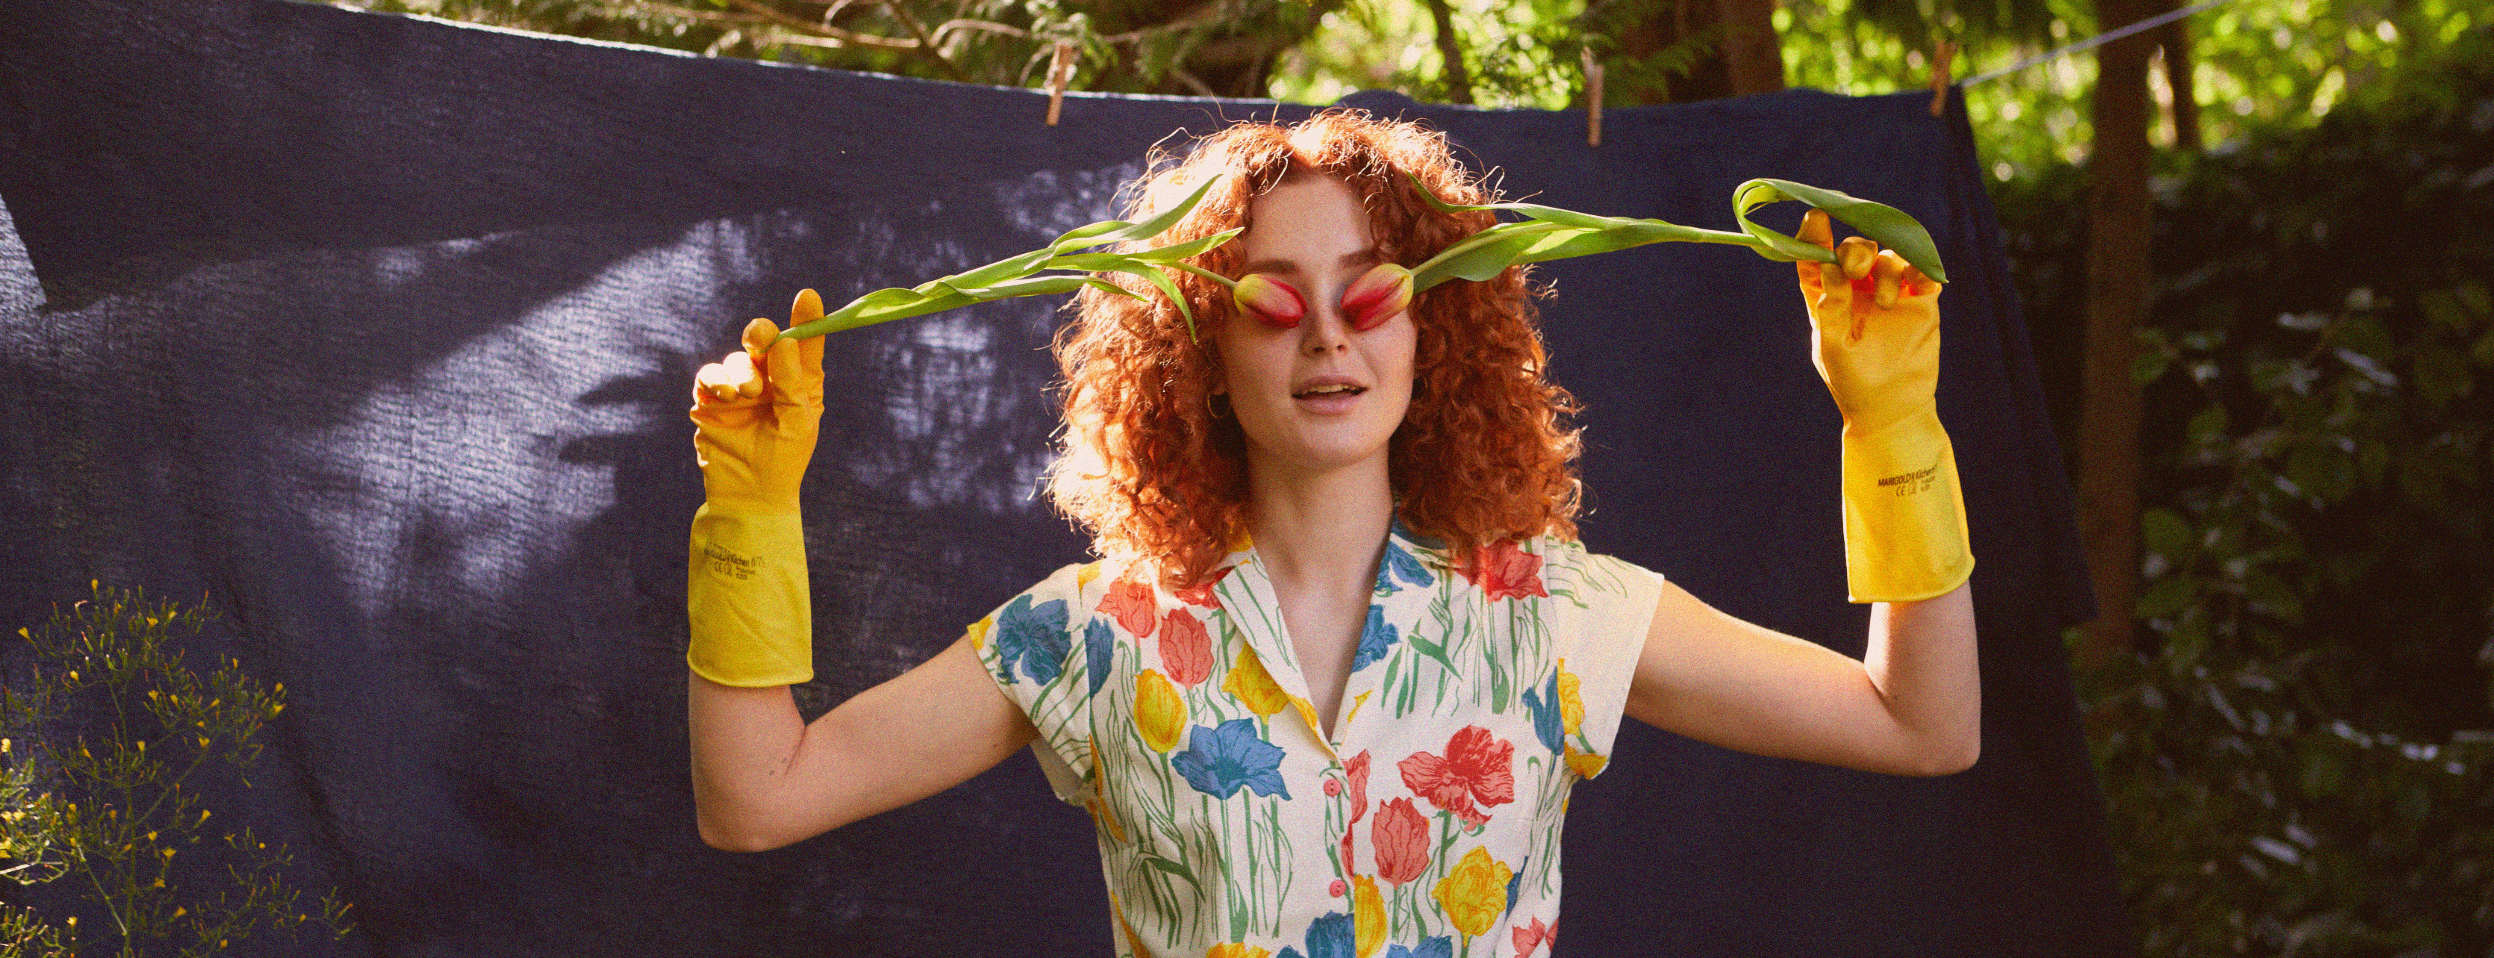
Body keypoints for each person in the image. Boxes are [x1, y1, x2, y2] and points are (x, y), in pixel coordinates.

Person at [683, 109, 1977, 957]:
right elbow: (757, 798)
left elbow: (1918, 724)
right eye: (1270, 301)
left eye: (1367, 293)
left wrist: (1893, 424)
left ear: (1432, 327)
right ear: (1194, 343)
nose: (1327, 337)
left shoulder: (1553, 613)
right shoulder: (1094, 634)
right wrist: (748, 504)